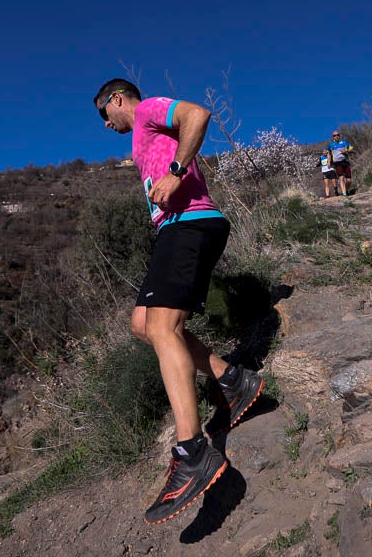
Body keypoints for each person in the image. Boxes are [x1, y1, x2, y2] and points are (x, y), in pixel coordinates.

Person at [94, 78, 264, 526]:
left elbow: (198, 115)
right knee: (142, 324)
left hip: (192, 223)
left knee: (163, 327)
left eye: (103, 113)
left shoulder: (148, 108)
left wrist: (174, 170)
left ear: (116, 99)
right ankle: (232, 380)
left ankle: (192, 452)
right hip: (175, 230)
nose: (105, 123)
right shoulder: (137, 140)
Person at [328, 130, 354, 196]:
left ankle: (346, 190)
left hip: (345, 161)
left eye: (337, 135)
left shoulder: (344, 142)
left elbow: (351, 149)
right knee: (341, 178)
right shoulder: (331, 145)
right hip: (337, 163)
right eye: (334, 135)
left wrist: (346, 150)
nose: (336, 136)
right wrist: (329, 162)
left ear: (339, 136)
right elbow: (329, 154)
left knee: (349, 180)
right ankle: (344, 193)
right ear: (333, 137)